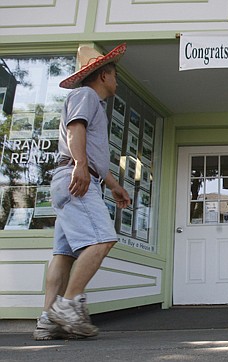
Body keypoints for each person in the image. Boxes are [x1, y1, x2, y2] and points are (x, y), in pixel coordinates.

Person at [33, 43, 131, 340]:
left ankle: (48, 320)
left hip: (75, 178)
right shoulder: (86, 95)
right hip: (78, 180)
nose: (117, 82)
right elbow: (76, 130)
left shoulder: (89, 100)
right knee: (103, 238)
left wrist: (113, 186)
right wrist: (80, 165)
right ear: (103, 76)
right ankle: (68, 305)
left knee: (63, 254)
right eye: (115, 75)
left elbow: (91, 151)